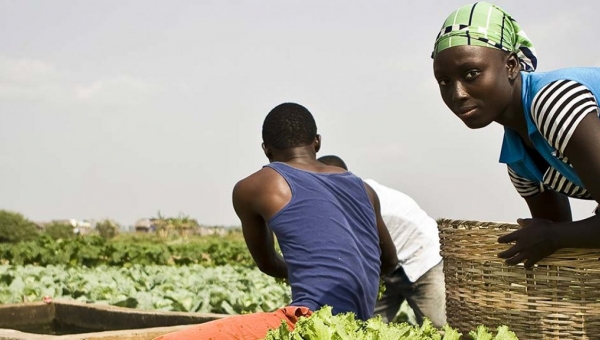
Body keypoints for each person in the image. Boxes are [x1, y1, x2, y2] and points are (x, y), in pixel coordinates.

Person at [154, 103, 397, 340]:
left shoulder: (256, 186)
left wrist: (303, 272)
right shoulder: (364, 189)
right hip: (355, 327)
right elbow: (389, 261)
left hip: (309, 322)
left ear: (265, 149)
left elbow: (268, 263)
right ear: (318, 142)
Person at [431, 2, 600, 268]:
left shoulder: (556, 104)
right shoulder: (520, 165)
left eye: (471, 73)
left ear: (510, 65)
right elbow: (555, 251)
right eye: (444, 81)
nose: (457, 93)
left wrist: (553, 236)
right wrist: (549, 237)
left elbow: (553, 235)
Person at [318, 155, 446, 328]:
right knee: (368, 329)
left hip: (422, 259)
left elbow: (376, 258)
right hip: (385, 266)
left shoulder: (363, 198)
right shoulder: (332, 203)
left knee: (441, 329)